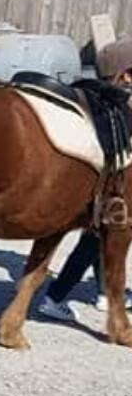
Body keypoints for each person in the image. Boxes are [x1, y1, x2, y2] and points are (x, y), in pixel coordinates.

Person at [37, 37, 132, 322]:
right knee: (100, 239)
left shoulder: (106, 104)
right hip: (112, 192)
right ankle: (58, 296)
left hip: (107, 195)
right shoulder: (118, 107)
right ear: (125, 75)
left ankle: (99, 292)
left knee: (96, 241)